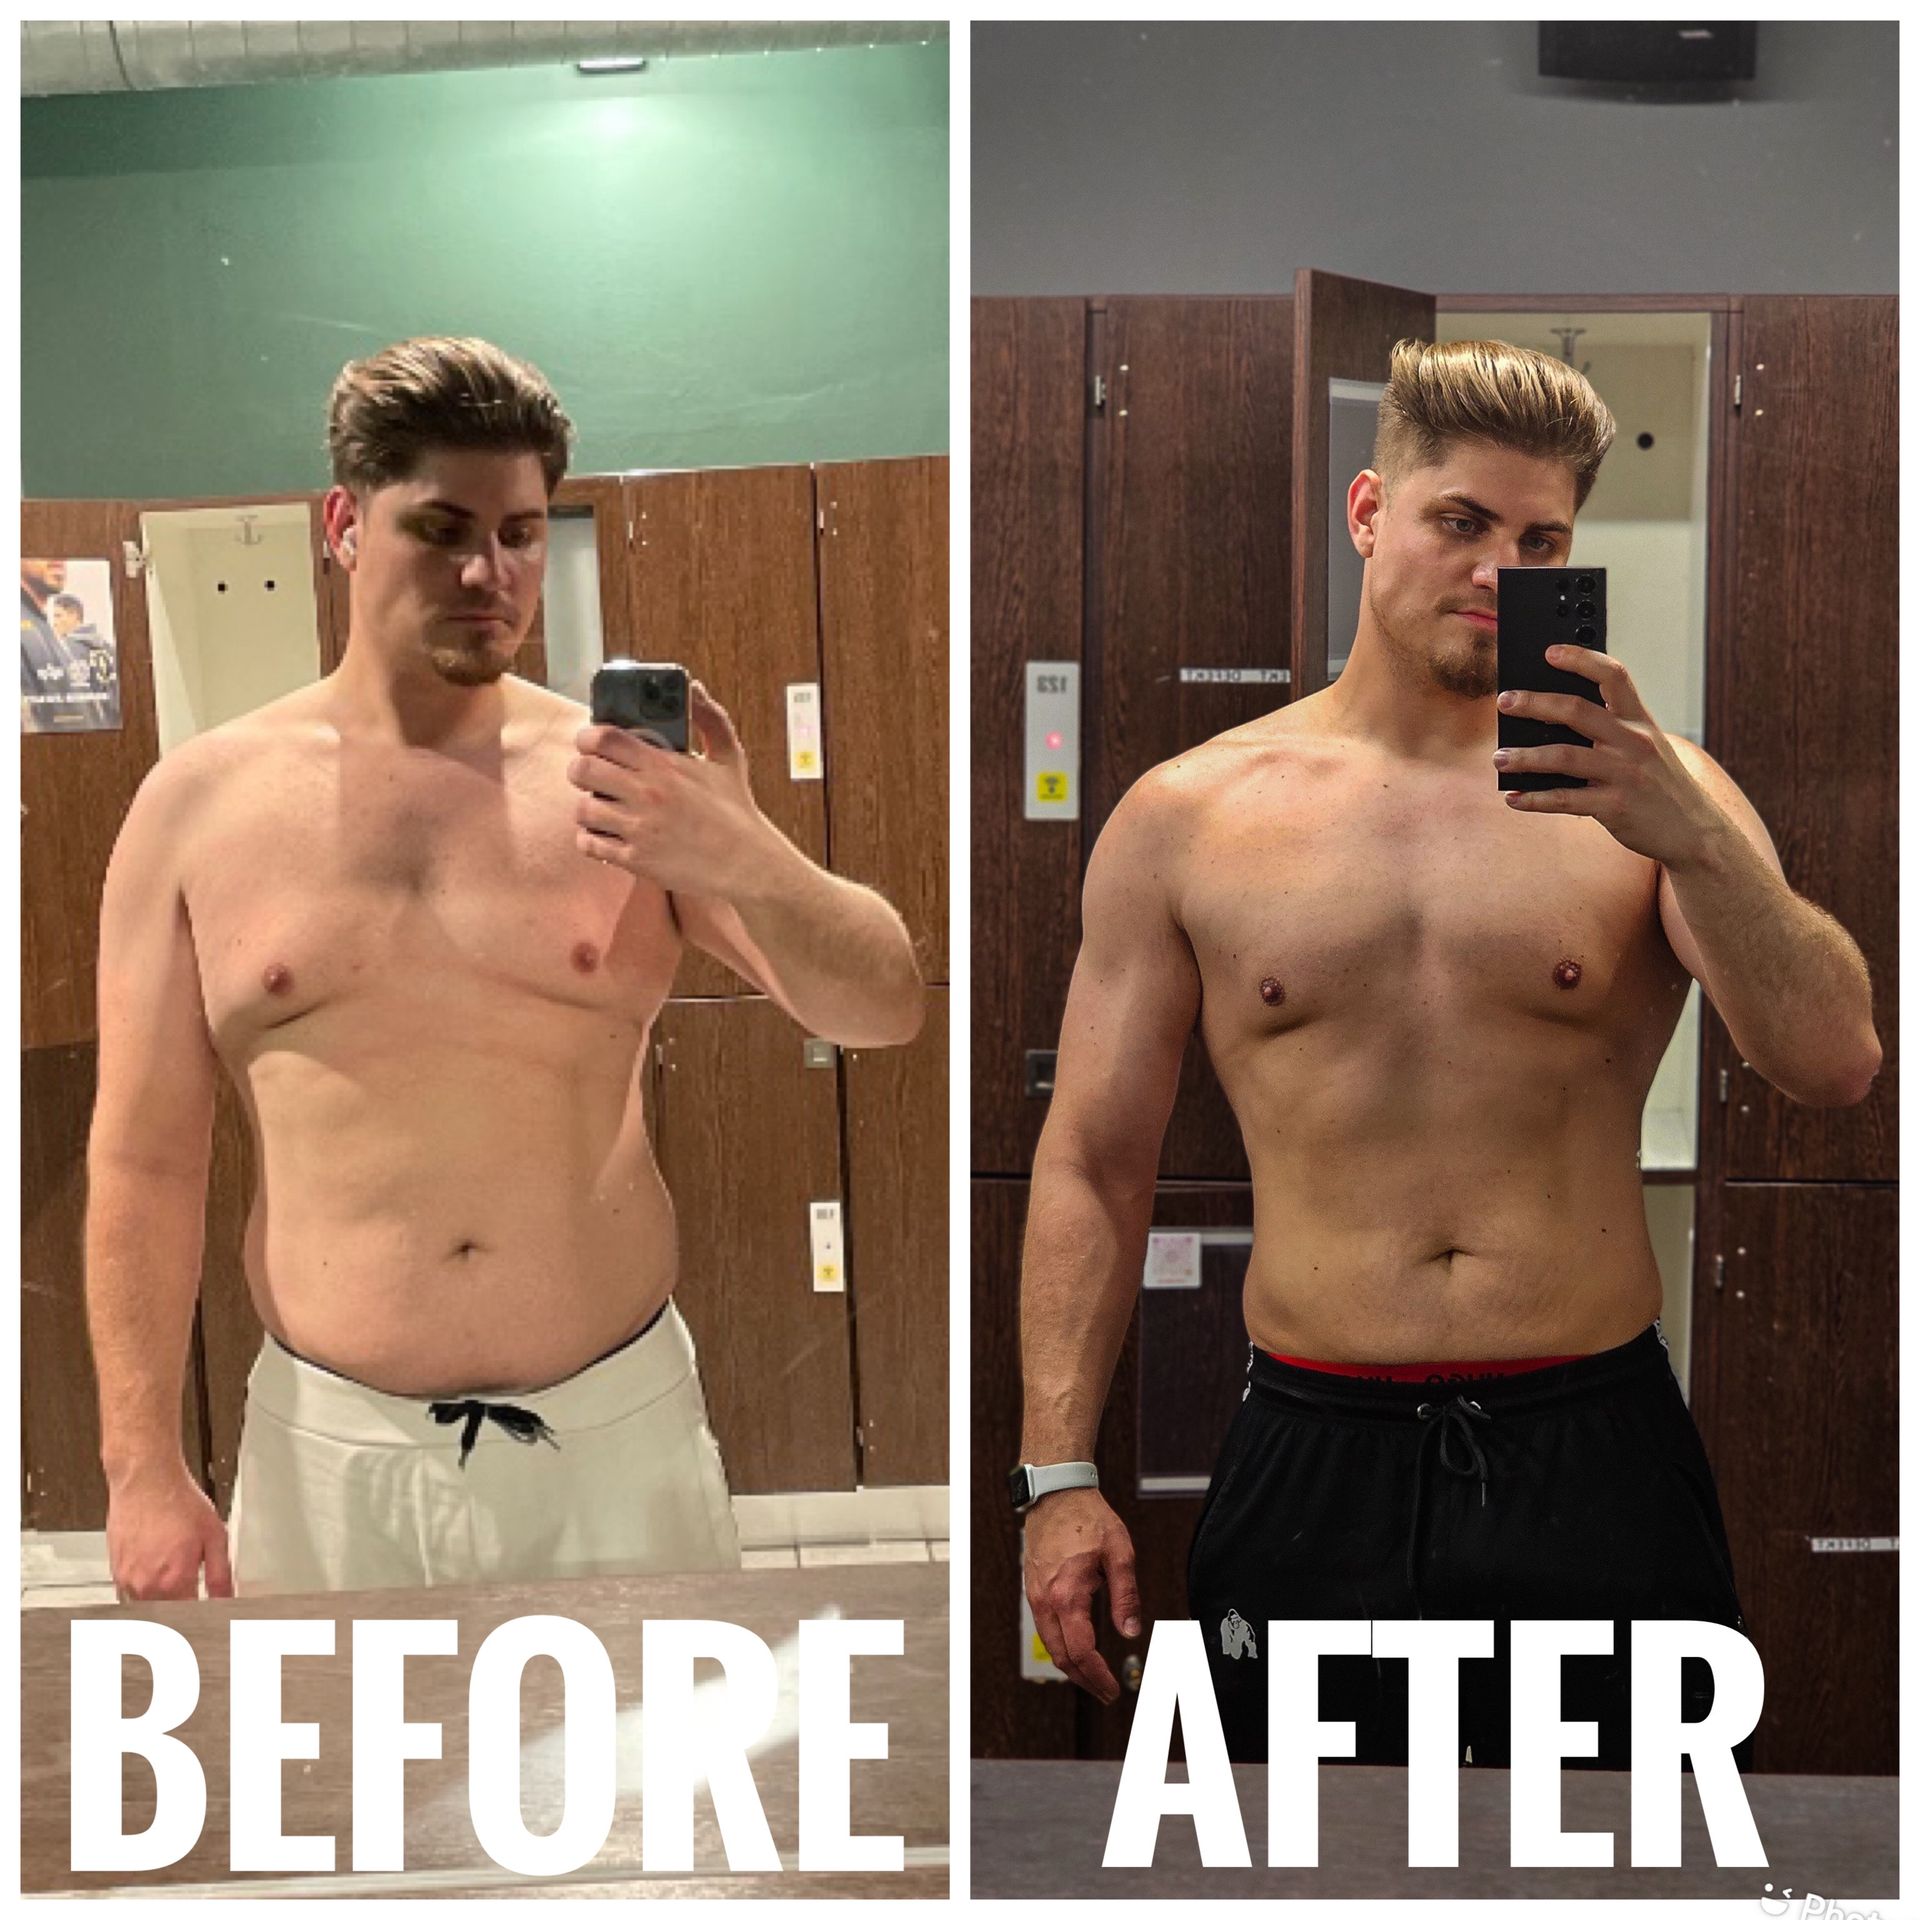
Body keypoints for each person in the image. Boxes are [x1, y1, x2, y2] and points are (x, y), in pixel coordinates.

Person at [1016, 337, 1880, 1765]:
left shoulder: (1658, 799)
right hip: (1314, 1449)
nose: (1498, 567)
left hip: (1592, 1444)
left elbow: (1834, 1060)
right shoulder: (1192, 815)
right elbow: (1095, 1161)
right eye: (1460, 522)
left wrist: (1696, 837)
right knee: (1298, 1871)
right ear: (1370, 514)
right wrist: (1057, 1472)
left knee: (1633, 1869)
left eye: (1541, 538)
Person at [88, 336, 925, 1600]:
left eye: (523, 533)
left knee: (651, 1800)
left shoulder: (622, 788)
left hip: (611, 1434)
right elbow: (145, 1158)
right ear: (344, 525)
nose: (491, 573)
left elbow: (882, 1006)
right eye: (443, 527)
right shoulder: (197, 810)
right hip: (330, 1454)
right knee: (346, 1798)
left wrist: (745, 851)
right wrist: (139, 1463)